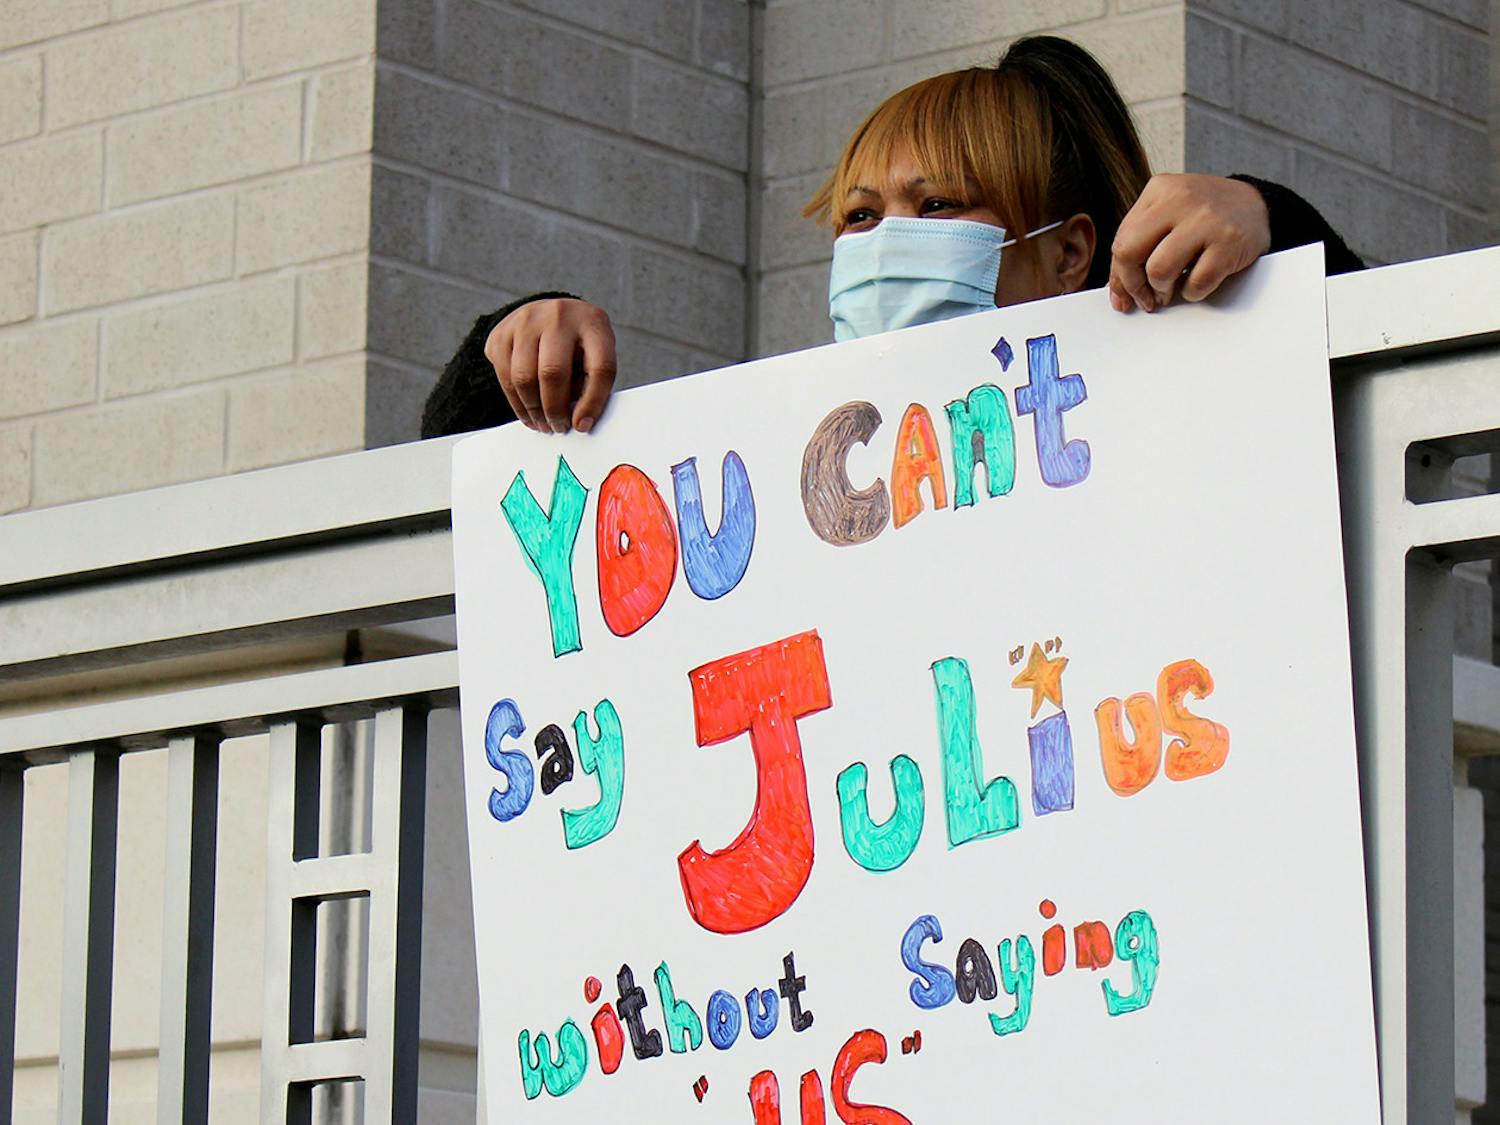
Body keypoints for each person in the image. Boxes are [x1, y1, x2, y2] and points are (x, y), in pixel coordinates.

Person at [421, 36, 1360, 440]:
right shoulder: (794, 460)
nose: (886, 242)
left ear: (1070, 251)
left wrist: (1271, 220)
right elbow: (460, 466)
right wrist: (521, 345)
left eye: (941, 205)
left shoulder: (1169, 403)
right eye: (861, 217)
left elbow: (1379, 389)